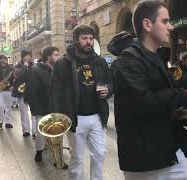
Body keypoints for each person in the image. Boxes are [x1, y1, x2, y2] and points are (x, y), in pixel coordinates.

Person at [111, 1, 187, 179]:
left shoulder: (157, 58)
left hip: (169, 150)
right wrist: (182, 96)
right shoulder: (127, 60)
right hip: (146, 159)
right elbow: (143, 103)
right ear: (147, 24)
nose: (171, 27)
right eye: (165, 21)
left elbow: (164, 103)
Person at [51, 25, 112, 180]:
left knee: (100, 153)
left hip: (97, 116)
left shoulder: (99, 61)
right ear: (76, 40)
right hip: (75, 118)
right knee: (77, 158)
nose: (88, 42)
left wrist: (108, 90)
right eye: (84, 38)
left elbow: (111, 82)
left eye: (91, 38)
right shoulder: (63, 63)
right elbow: (56, 91)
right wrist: (57, 118)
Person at [28, 46, 60, 162]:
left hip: (56, 107)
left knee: (57, 133)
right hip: (42, 107)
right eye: (56, 55)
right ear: (48, 57)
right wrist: (34, 109)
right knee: (41, 133)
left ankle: (58, 158)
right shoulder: (36, 70)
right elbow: (32, 91)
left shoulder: (58, 69)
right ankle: (39, 151)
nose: (58, 57)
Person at [12, 50, 33, 137]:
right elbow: (19, 76)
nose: (29, 57)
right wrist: (24, 67)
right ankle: (26, 130)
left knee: (34, 113)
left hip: (32, 92)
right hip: (22, 93)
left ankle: (35, 131)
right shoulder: (17, 66)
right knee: (24, 113)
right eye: (27, 56)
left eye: (29, 55)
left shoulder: (33, 65)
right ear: (23, 57)